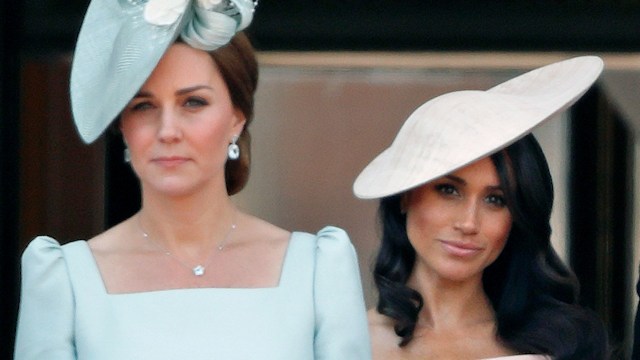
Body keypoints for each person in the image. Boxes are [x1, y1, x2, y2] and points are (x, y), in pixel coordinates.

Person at [14, 0, 370, 359]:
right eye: (143, 106)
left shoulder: (317, 271)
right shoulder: (65, 281)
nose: (167, 131)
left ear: (237, 117)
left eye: (193, 103)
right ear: (122, 126)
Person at [352, 56, 610, 359]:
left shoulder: (564, 343)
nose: (468, 222)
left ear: (517, 216)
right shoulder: (343, 344)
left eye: (495, 200)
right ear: (405, 195)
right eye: (448, 190)